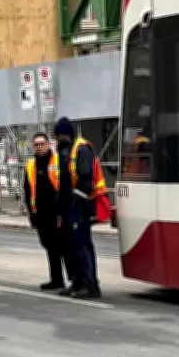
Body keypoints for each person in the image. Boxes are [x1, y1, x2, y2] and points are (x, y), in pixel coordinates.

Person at [53, 117, 111, 299]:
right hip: (69, 205)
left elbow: (86, 179)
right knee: (71, 246)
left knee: (82, 245)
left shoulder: (81, 148)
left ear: (65, 134)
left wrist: (74, 201)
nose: (57, 140)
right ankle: (77, 282)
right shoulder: (66, 150)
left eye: (59, 136)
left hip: (80, 204)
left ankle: (90, 284)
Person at [25, 132, 75, 290]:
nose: (39, 147)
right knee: (49, 246)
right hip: (40, 213)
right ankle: (56, 279)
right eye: (36, 144)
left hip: (57, 212)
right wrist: (31, 212)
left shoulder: (58, 160)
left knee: (64, 246)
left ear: (48, 144)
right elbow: (27, 190)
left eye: (42, 144)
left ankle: (74, 280)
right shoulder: (31, 165)